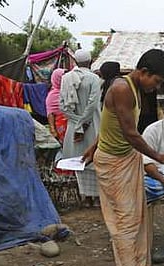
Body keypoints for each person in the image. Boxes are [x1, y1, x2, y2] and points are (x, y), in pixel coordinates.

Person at [82, 49, 164, 266]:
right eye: (157, 81)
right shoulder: (122, 88)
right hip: (115, 163)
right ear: (144, 72)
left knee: (136, 217)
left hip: (125, 159)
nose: (155, 87)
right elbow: (130, 133)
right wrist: (158, 156)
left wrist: (95, 145)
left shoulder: (134, 89)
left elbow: (110, 123)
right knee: (124, 222)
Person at [60, 49, 102, 208]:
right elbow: (92, 105)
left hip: (73, 126)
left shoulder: (66, 78)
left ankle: (86, 197)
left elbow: (63, 107)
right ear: (90, 61)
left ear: (75, 62)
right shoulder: (94, 79)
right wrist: (83, 125)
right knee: (94, 160)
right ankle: (97, 197)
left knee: (79, 161)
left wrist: (76, 123)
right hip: (92, 125)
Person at [46, 68, 67, 142]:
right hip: (61, 125)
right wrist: (53, 130)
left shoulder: (69, 91)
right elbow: (50, 113)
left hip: (71, 124)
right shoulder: (52, 95)